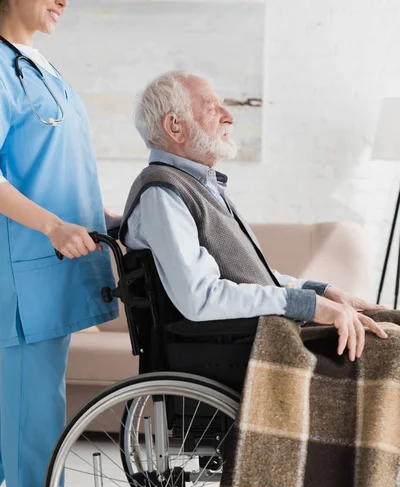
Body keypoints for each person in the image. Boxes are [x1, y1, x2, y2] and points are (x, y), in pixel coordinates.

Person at [120, 71, 388, 360]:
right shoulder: (163, 194)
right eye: (212, 107)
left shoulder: (201, 187)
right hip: (238, 349)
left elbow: (250, 279)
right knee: (387, 351)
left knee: (389, 327)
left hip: (253, 338)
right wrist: (309, 305)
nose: (229, 117)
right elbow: (201, 296)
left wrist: (321, 292)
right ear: (175, 126)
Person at [0, 0, 121, 487]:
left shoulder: (40, 67)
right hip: (24, 274)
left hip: (55, 269)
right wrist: (51, 226)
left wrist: (102, 216)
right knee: (35, 419)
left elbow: (60, 169)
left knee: (15, 418)